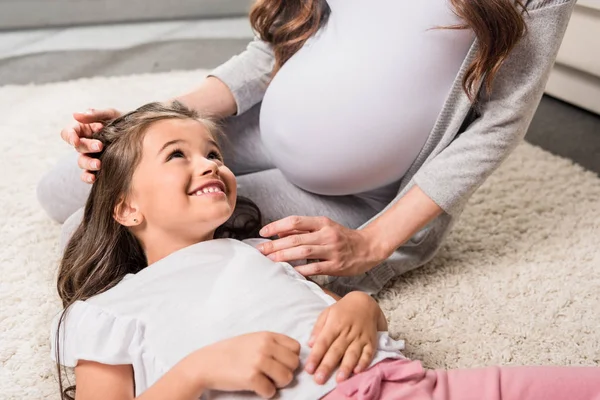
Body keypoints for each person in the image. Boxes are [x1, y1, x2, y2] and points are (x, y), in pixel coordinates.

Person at [52, 103, 600, 400]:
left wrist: (362, 307)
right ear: (126, 209)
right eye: (177, 155)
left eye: (213, 152)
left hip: (403, 386)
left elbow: (334, 309)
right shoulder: (107, 311)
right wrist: (197, 371)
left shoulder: (262, 252)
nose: (211, 163)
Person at [39, 0, 576, 295]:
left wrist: (371, 243)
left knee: (84, 237)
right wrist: (150, 124)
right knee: (64, 185)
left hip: (368, 200)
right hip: (253, 126)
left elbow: (500, 122)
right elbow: (266, 52)